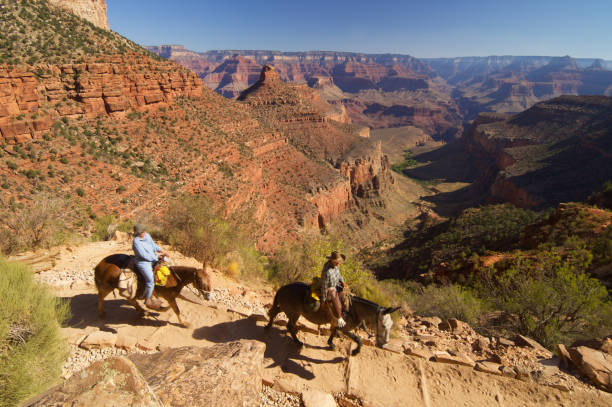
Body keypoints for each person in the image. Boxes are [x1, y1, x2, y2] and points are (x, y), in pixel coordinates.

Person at [132, 224, 168, 310]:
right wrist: (157, 256)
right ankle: (147, 299)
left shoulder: (147, 235)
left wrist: (162, 251)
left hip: (153, 257)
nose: (144, 233)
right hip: (143, 262)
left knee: (166, 265)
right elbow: (144, 255)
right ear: (138, 233)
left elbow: (154, 246)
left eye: (144, 231)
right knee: (150, 281)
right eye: (142, 232)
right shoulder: (136, 241)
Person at [320, 251, 347, 328]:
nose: (338, 264)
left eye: (338, 262)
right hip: (328, 287)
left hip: (335, 284)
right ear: (332, 261)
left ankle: (344, 311)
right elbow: (324, 286)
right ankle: (339, 317)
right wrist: (323, 300)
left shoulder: (336, 266)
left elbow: (339, 275)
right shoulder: (327, 271)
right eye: (336, 262)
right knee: (333, 291)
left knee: (344, 293)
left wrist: (343, 282)